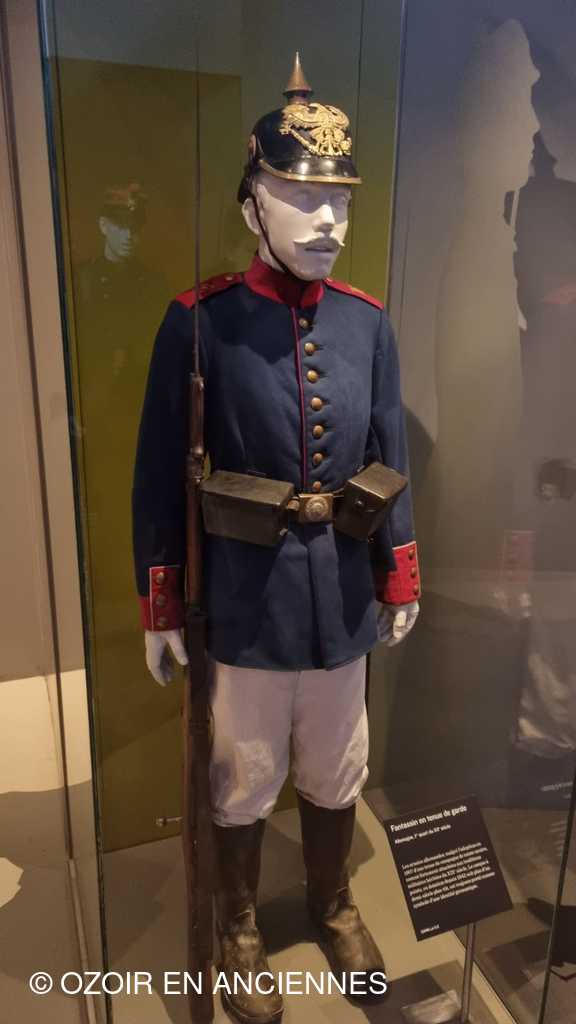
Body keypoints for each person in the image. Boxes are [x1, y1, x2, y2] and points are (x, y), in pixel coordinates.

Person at [132, 54, 420, 1023]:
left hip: (341, 596)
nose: (328, 220)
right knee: (245, 771)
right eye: (302, 195)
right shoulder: (200, 322)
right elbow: (158, 473)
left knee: (338, 761)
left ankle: (335, 905)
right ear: (253, 202)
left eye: (338, 198)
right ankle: (241, 924)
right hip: (247, 598)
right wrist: (161, 600)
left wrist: (398, 574)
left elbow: (388, 451)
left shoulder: (368, 325)